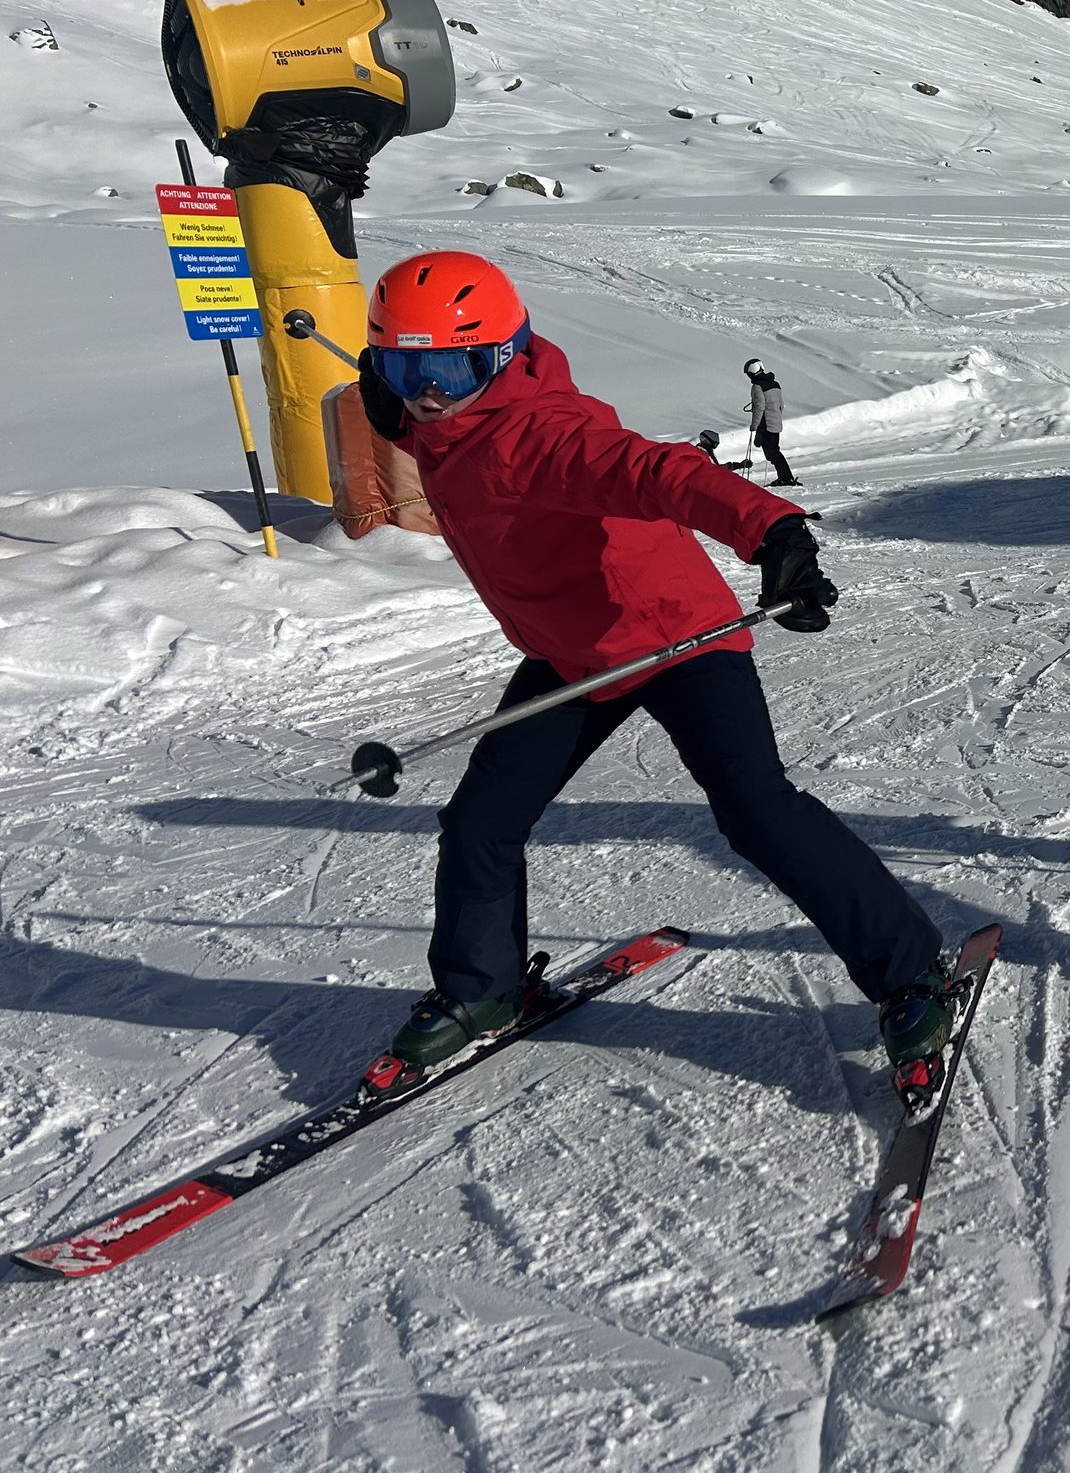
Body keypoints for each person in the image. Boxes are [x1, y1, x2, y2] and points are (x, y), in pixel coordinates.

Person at [355, 251, 955, 1082]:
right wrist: (398, 387)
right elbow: (410, 404)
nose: (426, 389)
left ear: (499, 354)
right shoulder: (434, 418)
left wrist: (772, 532)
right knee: (479, 823)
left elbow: (659, 471)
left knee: (756, 811)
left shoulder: (545, 434)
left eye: (450, 366)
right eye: (402, 365)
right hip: (576, 657)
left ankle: (912, 973)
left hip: (678, 636)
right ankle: (482, 991)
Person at [744, 356, 800, 488]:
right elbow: (781, 405)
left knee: (772, 453)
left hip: (765, 425)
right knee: (774, 451)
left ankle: (785, 478)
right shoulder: (775, 384)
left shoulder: (758, 386)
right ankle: (785, 477)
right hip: (776, 424)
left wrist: (754, 426)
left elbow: (759, 407)